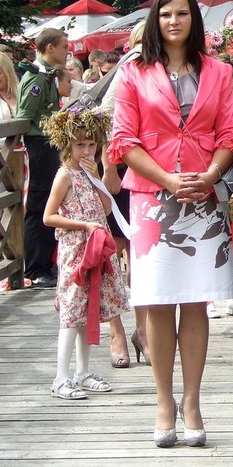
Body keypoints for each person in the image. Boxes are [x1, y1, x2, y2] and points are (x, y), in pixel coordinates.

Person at [109, 0, 233, 448]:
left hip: (204, 197)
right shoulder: (133, 74)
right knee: (160, 301)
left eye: (182, 13)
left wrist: (209, 175)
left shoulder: (219, 71)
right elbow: (123, 141)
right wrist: (168, 179)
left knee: (197, 300)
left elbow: (229, 133)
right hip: (151, 197)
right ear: (155, 20)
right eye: (165, 14)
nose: (174, 21)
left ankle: (193, 403)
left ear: (194, 20)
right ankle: (164, 400)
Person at [42, 107, 129, 399]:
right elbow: (48, 216)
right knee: (71, 312)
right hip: (75, 251)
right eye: (80, 144)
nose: (86, 150)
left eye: (92, 145)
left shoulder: (89, 174)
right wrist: (83, 225)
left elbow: (106, 209)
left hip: (95, 250)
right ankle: (60, 377)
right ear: (68, 144)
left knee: (88, 309)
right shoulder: (65, 176)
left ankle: (82, 372)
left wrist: (99, 178)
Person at [101, 20, 147, 369]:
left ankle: (143, 330)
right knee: (113, 252)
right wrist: (110, 168)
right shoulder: (131, 65)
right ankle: (117, 331)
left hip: (152, 173)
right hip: (120, 168)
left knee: (142, 255)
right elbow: (106, 116)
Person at [16, 28, 69, 288]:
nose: (67, 51)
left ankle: (46, 263)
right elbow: (25, 116)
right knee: (39, 205)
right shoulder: (36, 79)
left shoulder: (47, 76)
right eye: (63, 47)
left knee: (50, 202)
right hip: (38, 145)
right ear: (49, 48)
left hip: (48, 145)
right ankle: (35, 268)